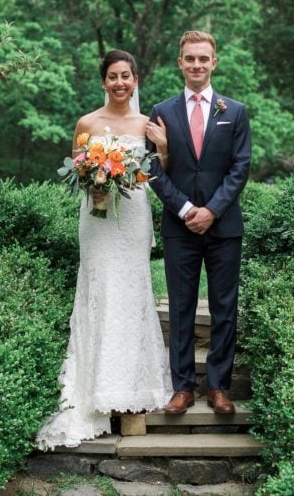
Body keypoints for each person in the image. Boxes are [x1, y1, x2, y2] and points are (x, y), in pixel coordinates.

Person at [36, 49, 172, 450]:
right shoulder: (87, 123)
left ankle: (132, 388)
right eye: (112, 76)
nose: (119, 83)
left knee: (131, 293)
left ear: (135, 80)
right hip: (96, 222)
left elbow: (158, 173)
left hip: (132, 219)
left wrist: (163, 148)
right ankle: (95, 390)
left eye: (126, 76)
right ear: (103, 81)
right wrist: (92, 181)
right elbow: (76, 173)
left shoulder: (147, 125)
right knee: (99, 292)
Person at [145, 31, 252, 415]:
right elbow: (153, 168)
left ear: (214, 62)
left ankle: (220, 388)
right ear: (180, 62)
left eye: (203, 59)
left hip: (224, 227)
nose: (196, 65)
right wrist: (187, 209)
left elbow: (241, 168)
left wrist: (212, 210)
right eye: (190, 58)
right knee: (181, 308)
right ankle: (183, 387)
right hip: (180, 226)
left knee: (225, 306)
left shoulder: (234, 111)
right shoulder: (161, 111)